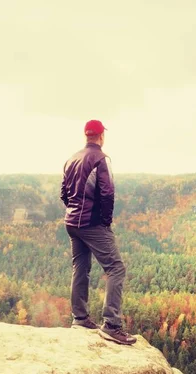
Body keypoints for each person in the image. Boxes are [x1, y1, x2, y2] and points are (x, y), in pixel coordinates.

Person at [60, 120, 136, 345]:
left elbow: (63, 193)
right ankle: (112, 325)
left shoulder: (71, 159)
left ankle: (80, 318)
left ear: (86, 135)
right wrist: (104, 222)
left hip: (72, 222)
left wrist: (73, 211)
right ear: (101, 136)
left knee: (80, 267)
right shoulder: (100, 159)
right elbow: (107, 192)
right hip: (91, 223)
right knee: (116, 269)